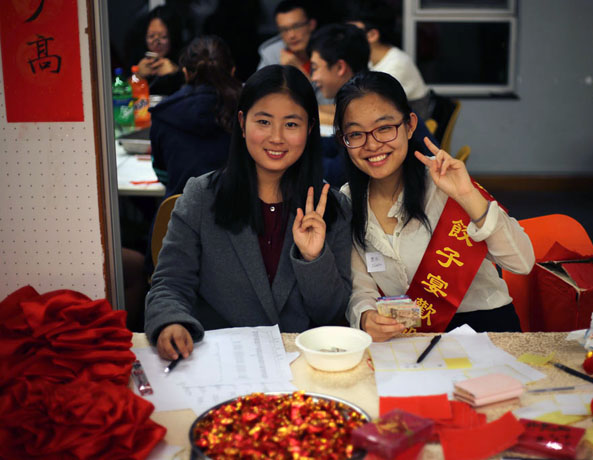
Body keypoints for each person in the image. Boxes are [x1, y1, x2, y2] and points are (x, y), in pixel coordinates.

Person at [145, 65, 353, 360]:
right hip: (219, 361)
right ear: (242, 123)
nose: (277, 137)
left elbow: (333, 312)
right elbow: (170, 283)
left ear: (309, 129)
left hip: (302, 366)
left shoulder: (331, 207)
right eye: (264, 122)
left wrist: (313, 259)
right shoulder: (202, 196)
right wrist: (170, 322)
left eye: (291, 124)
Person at [334, 72, 534, 342]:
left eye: (384, 128)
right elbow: (361, 287)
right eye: (356, 134)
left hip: (485, 330)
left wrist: (468, 195)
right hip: (408, 339)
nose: (371, 144)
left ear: (409, 125)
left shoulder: (445, 184)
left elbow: (522, 263)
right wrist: (366, 316)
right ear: (343, 140)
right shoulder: (347, 201)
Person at [307, 24, 437, 186]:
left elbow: (338, 172)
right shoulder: (371, 95)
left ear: (340, 67)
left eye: (315, 68)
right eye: (356, 134)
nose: (313, 77)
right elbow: (334, 145)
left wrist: (296, 159)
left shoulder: (373, 103)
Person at [150, 35, 242, 199]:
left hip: (178, 218)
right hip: (239, 219)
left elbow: (162, 174)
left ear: (185, 73)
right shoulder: (250, 111)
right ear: (233, 71)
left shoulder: (163, 114)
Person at [346, 2, 432, 119]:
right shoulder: (373, 60)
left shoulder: (396, 65)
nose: (346, 37)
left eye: (352, 31)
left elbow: (366, 113)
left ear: (372, 35)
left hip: (409, 131)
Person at [134, 5, 185, 96]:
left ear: (172, 37)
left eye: (163, 37)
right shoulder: (138, 56)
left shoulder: (184, 58)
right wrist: (138, 76)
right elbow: (122, 94)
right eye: (151, 36)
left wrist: (176, 73)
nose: (156, 42)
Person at [257, 0, 317, 77]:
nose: (291, 35)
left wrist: (299, 70)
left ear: (311, 25)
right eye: (284, 30)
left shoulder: (325, 51)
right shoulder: (272, 53)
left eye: (296, 26)